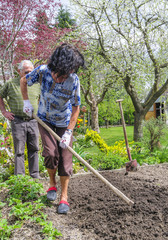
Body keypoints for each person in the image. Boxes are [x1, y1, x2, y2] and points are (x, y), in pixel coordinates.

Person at [20, 43, 85, 214]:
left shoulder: (74, 80)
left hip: (64, 122)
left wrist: (69, 131)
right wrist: (26, 102)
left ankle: (64, 196)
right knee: (50, 153)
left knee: (65, 158)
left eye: (64, 76)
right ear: (54, 67)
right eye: (58, 75)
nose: (60, 79)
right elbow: (23, 81)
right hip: (45, 120)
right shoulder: (42, 71)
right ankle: (51, 184)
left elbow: (76, 107)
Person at [0, 60, 40, 178]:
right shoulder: (11, 83)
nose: (29, 74)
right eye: (26, 71)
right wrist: (4, 111)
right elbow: (0, 96)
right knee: (19, 151)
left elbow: (41, 99)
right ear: (19, 71)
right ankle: (20, 178)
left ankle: (35, 175)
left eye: (31, 71)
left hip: (33, 121)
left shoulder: (36, 84)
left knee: (34, 148)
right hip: (18, 121)